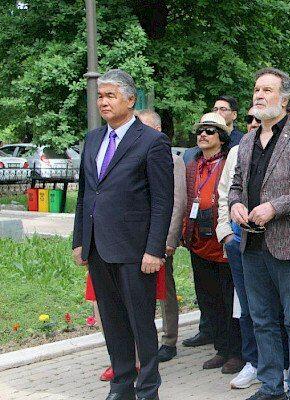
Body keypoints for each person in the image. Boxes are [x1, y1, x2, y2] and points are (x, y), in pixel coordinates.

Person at [72, 69, 173, 400]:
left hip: (135, 250)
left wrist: (154, 249)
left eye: (111, 96)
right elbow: (86, 194)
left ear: (130, 100)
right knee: (113, 322)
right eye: (100, 96)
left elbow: (162, 201)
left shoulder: (152, 141)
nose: (103, 102)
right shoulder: (93, 139)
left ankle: (148, 389)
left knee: (140, 323)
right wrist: (79, 240)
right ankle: (122, 386)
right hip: (98, 247)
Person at [228, 67, 290, 400]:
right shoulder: (246, 141)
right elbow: (236, 185)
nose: (259, 95)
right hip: (251, 244)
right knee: (262, 319)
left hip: (289, 245)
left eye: (267, 90)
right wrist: (235, 205)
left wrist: (274, 207)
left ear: (284, 99)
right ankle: (270, 386)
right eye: (257, 89)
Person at [181, 112, 243, 374]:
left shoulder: (230, 161)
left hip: (222, 242)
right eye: (200, 131)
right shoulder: (192, 164)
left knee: (229, 299)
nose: (203, 135)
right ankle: (221, 348)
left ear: (222, 137)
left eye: (209, 131)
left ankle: (237, 352)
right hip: (198, 240)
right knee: (209, 300)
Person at [135, 109, 187, 363]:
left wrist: (169, 239)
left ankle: (169, 339)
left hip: (159, 238)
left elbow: (177, 202)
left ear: (157, 130)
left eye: (143, 127)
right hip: (135, 239)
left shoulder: (172, 160)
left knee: (165, 289)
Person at [216, 128, 261, 390]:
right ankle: (252, 362)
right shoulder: (238, 150)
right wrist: (225, 233)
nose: (254, 123)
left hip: (272, 241)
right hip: (237, 240)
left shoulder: (288, 146)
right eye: (251, 119)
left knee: (272, 309)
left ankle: (280, 364)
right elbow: (225, 194)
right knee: (245, 306)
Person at [182, 95, 243, 166]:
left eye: (223, 109)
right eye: (215, 109)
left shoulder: (243, 141)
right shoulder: (190, 155)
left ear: (234, 115)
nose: (218, 113)